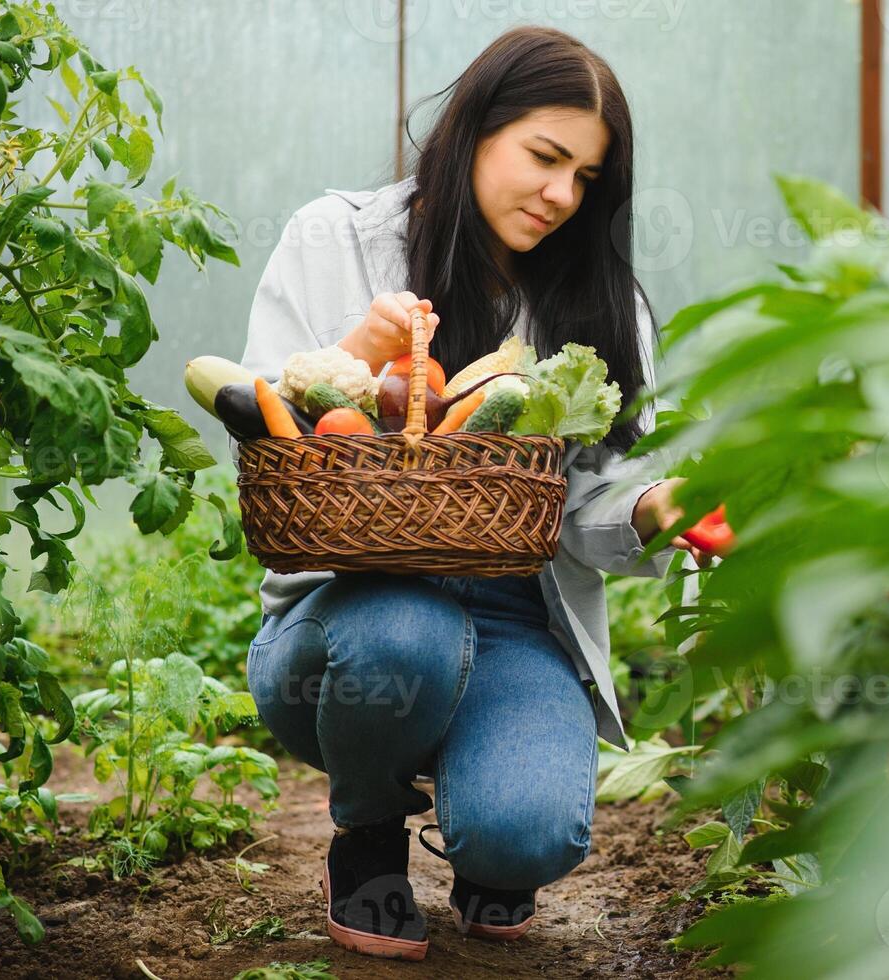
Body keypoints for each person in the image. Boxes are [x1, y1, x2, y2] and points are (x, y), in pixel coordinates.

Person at [238, 26, 706, 961]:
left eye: (585, 178)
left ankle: (485, 823)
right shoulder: (337, 238)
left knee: (527, 831)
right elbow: (263, 424)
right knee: (406, 631)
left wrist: (653, 506)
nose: (561, 196)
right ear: (475, 127)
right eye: (544, 157)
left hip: (514, 611)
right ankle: (368, 829)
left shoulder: (604, 305)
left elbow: (587, 505)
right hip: (345, 607)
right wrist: (364, 357)